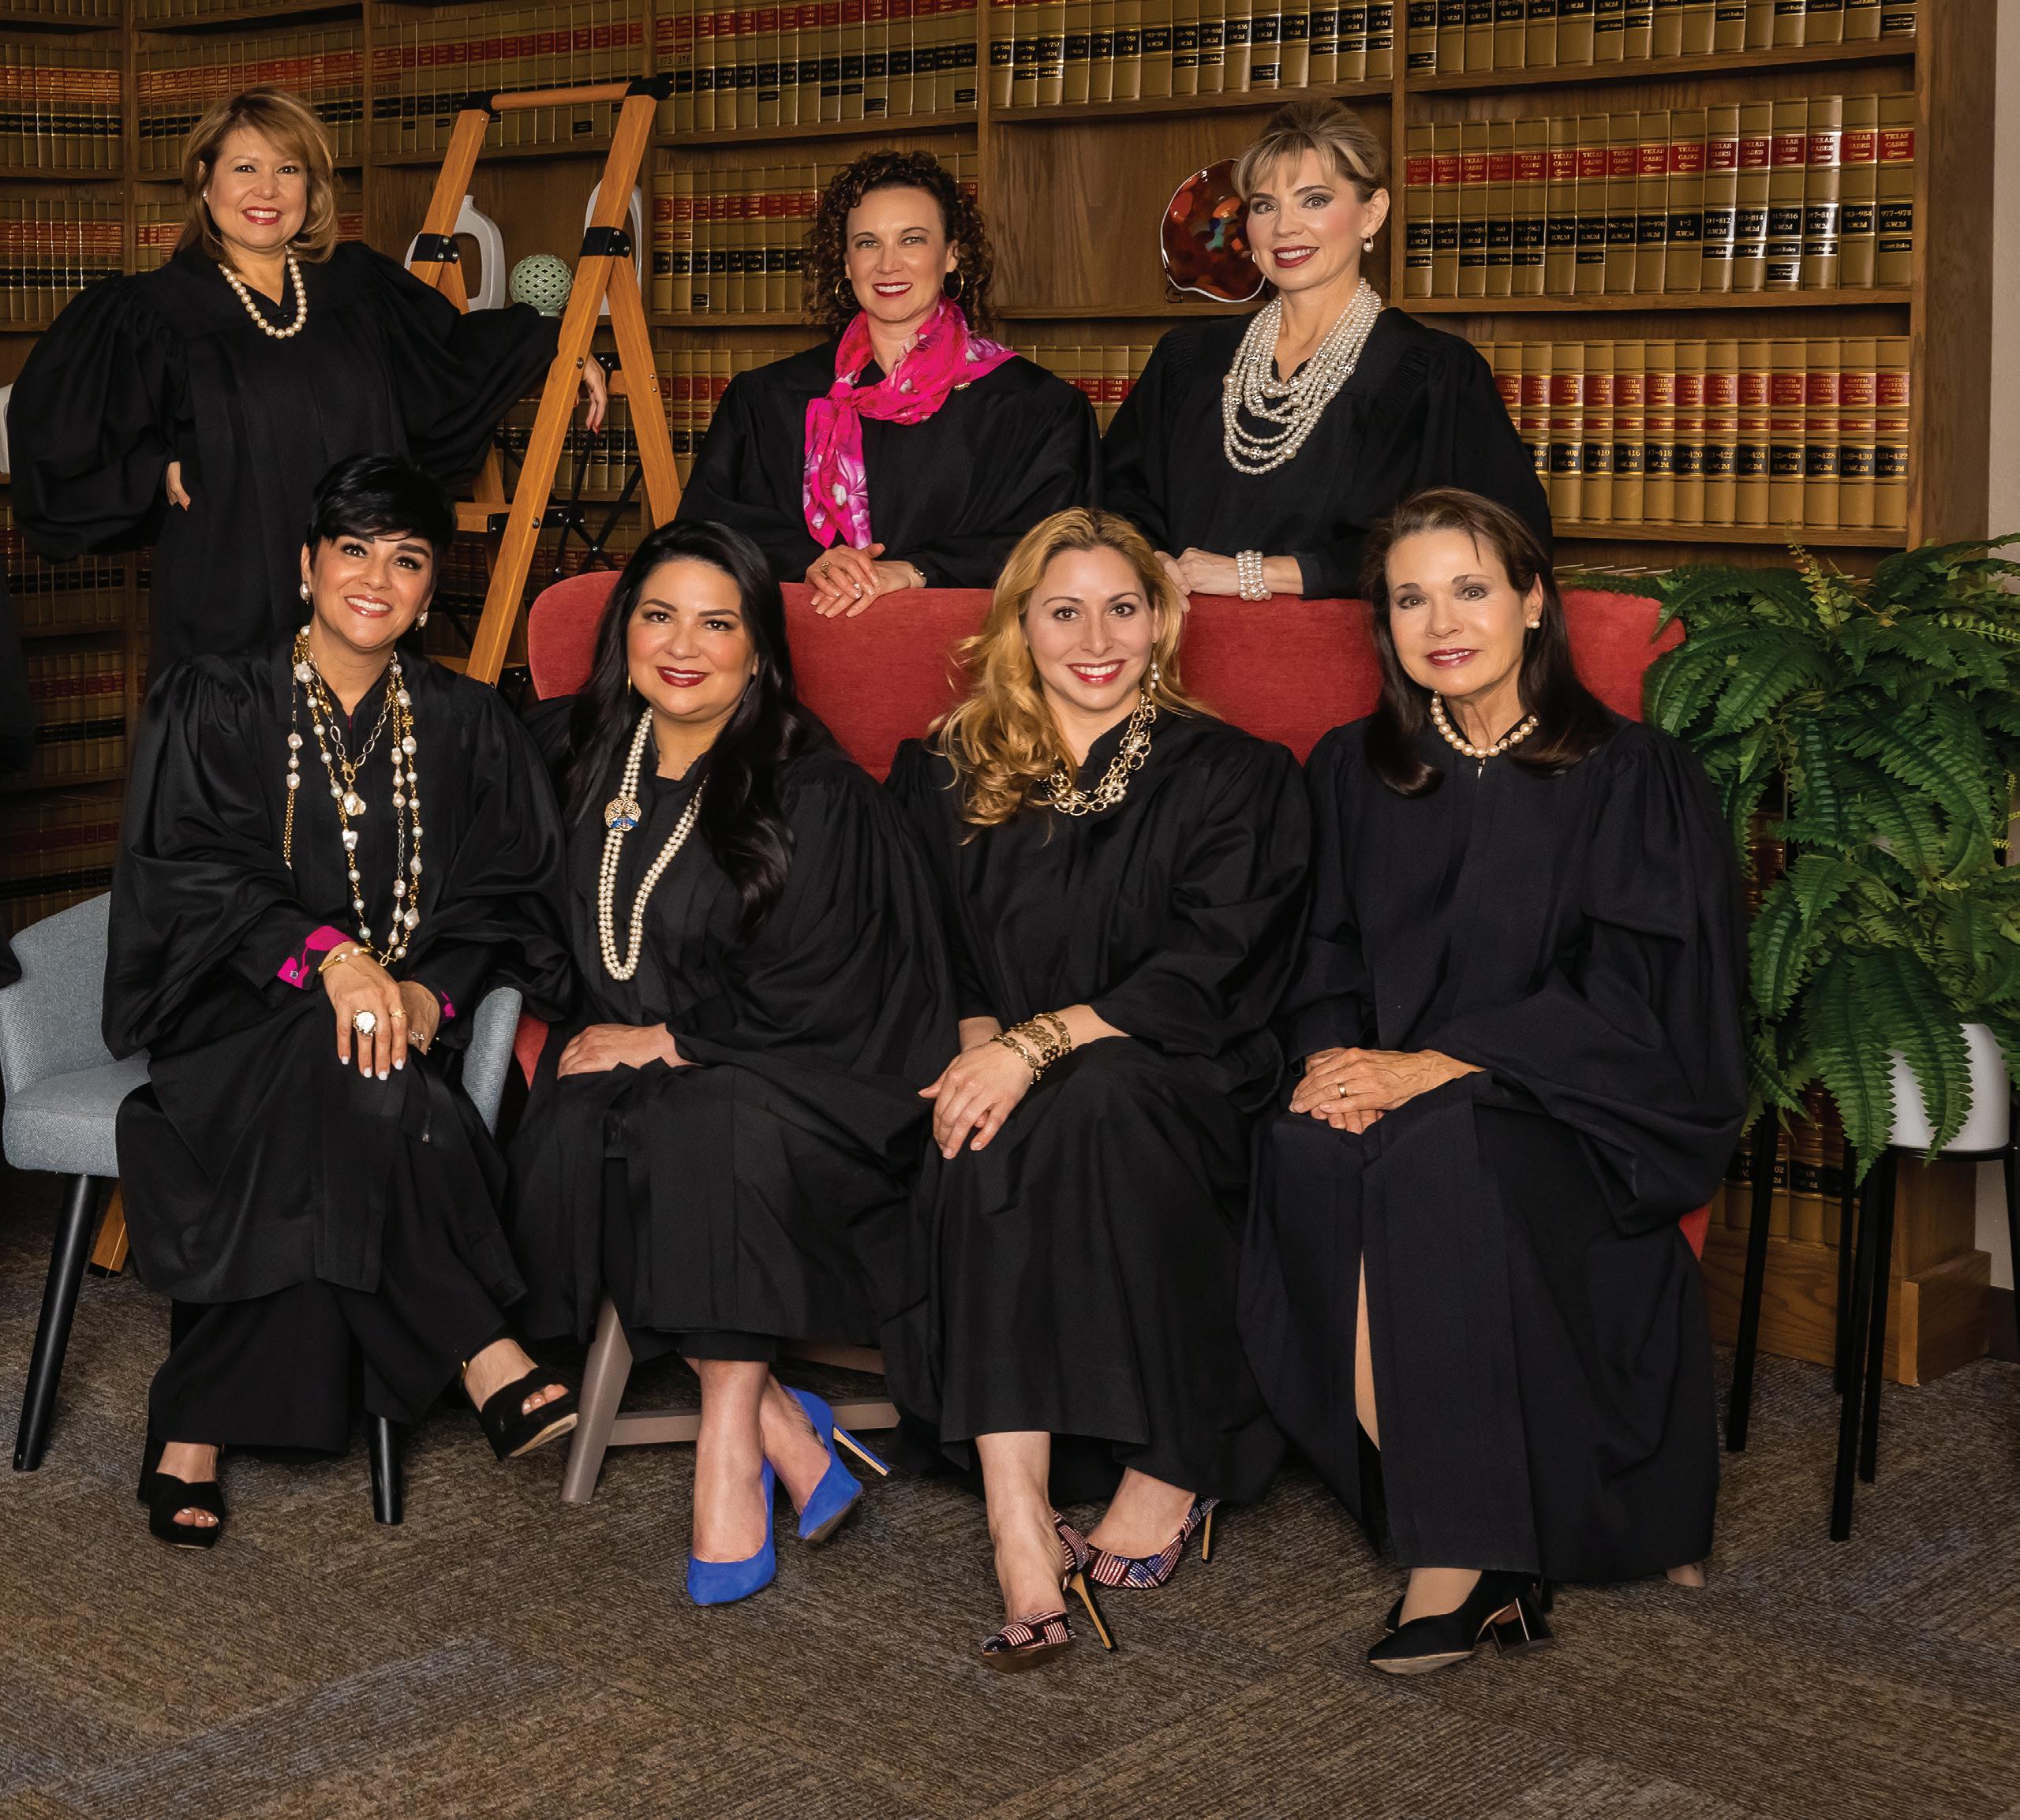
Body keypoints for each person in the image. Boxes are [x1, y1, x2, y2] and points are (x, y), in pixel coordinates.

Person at [1240, 488, 1745, 1675]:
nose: (1442, 622)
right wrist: (1333, 1066)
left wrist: (1438, 1064)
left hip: (1578, 1105)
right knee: (1304, 1145)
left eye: (1470, 589)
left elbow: (1639, 994)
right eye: (1410, 598)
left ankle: (1459, 1557)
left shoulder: (1632, 775)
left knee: (1440, 1142)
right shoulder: (1355, 770)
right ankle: (1487, 1523)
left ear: (1532, 602)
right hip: (1400, 1091)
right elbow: (1320, 954)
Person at [105, 456, 579, 1549]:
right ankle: (481, 1346)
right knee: (351, 1060)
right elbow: (188, 870)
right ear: (307, 565)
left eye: (406, 560)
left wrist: (426, 990)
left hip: (393, 1026)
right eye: (354, 550)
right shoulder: (216, 697)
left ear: (429, 586)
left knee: (355, 1066)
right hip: (230, 1009)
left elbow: (510, 896)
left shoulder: (471, 723)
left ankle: (193, 1426)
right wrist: (326, 959)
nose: (376, 578)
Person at [885, 507, 1310, 1671]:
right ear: (1020, 624)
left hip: (1180, 1074)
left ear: (1161, 621)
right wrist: (984, 1050)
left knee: (1093, 1093)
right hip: (1018, 1068)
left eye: (1123, 608)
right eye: (1063, 611)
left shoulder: (1232, 774)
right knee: (982, 1122)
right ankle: (1017, 1517)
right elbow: (936, 953)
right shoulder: (947, 769)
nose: (1096, 638)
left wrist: (1034, 1047)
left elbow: (1214, 964)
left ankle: (1173, 1459)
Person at [505, 518, 954, 1606]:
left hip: (807, 1082)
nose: (682, 645)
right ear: (623, 631)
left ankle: (727, 1447)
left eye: (717, 623)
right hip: (635, 1080)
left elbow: (833, 988)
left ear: (759, 649)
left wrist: (675, 1040)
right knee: (586, 1117)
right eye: (659, 615)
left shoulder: (810, 791)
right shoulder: (574, 755)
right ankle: (780, 1420)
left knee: (695, 1117)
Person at [5, 86, 604, 669]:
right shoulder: (152, 310)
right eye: (245, 167)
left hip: (363, 598)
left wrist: (561, 347)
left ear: (310, 188)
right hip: (228, 597)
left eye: (288, 170)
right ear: (205, 180)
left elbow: (449, 358)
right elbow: (57, 431)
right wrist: (153, 470)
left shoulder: (359, 285)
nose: (267, 190)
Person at [1102, 99, 1550, 608]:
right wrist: (1147, 558)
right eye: (1265, 206)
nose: (1284, 228)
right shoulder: (1187, 361)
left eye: (1313, 200)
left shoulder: (1435, 373)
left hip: (1342, 651)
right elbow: (1116, 502)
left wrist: (1263, 573)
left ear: (1372, 213)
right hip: (1175, 641)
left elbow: (1504, 542)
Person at [675, 150, 1098, 615]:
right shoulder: (767, 400)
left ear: (951, 254)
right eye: (867, 243)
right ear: (846, 262)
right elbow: (703, 528)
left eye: (912, 240)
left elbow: (1062, 542)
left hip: (961, 648)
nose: (887, 265)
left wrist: (917, 570)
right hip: (797, 643)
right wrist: (811, 559)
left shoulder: (1036, 407)